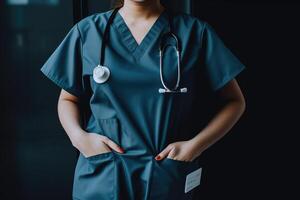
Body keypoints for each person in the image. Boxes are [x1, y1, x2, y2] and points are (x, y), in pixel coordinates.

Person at [40, 0, 246, 199]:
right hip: (104, 172)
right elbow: (68, 100)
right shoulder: (87, 32)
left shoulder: (194, 32)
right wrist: (79, 138)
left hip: (165, 173)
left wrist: (195, 146)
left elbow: (234, 101)